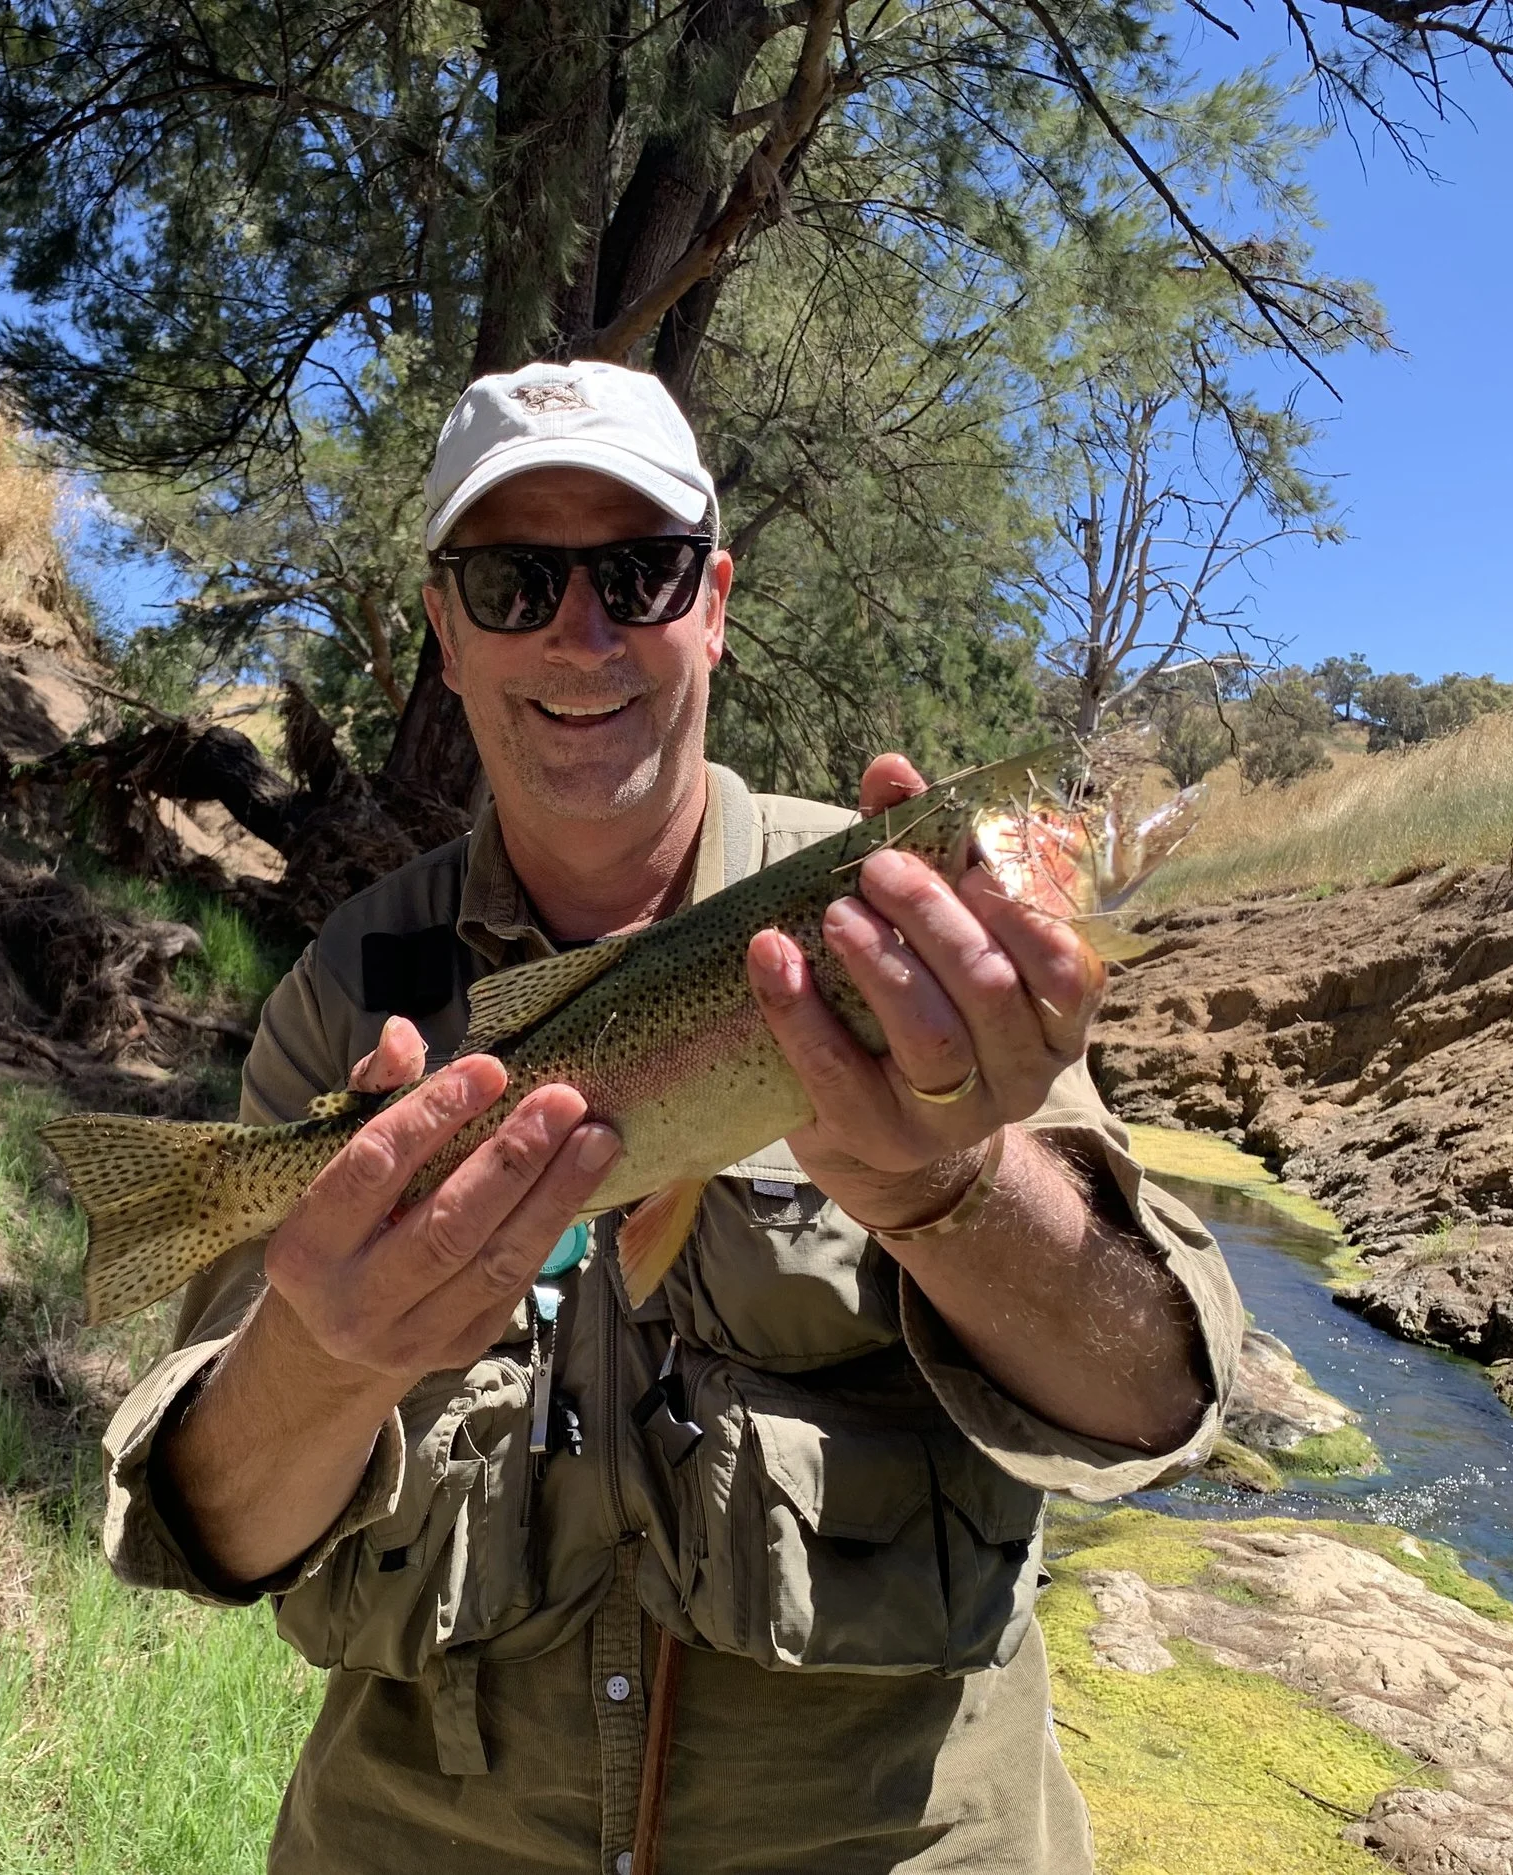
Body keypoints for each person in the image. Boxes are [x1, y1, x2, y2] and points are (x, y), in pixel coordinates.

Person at [101, 359, 1240, 1874]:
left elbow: (1153, 1399)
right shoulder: (357, 984)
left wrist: (950, 1187)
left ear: (713, 598)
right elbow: (213, 1528)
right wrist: (323, 1352)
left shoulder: (916, 941)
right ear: (443, 629)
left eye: (637, 573)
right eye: (514, 581)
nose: (583, 632)